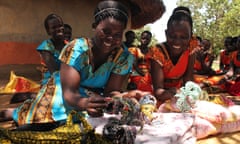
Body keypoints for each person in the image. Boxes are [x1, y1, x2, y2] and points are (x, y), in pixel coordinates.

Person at [0, 0, 134, 128]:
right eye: (106, 31)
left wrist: (123, 97)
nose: (111, 38)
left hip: (94, 97)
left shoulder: (123, 57)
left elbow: (110, 91)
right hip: (65, 90)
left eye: (118, 34)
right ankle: (14, 112)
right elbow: (69, 93)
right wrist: (83, 103)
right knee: (43, 121)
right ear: (94, 27)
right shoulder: (76, 49)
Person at [149, 6, 198, 104]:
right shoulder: (157, 52)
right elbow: (158, 90)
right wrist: (171, 93)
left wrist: (191, 93)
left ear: (191, 36)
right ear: (166, 34)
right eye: (172, 36)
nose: (177, 41)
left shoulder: (192, 45)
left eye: (184, 37)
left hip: (176, 91)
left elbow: (188, 77)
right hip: (155, 91)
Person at [37, 14, 66, 86]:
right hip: (53, 82)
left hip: (68, 79)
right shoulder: (46, 47)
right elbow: (55, 73)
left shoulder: (68, 45)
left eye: (60, 25)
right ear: (48, 31)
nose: (58, 29)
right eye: (54, 27)